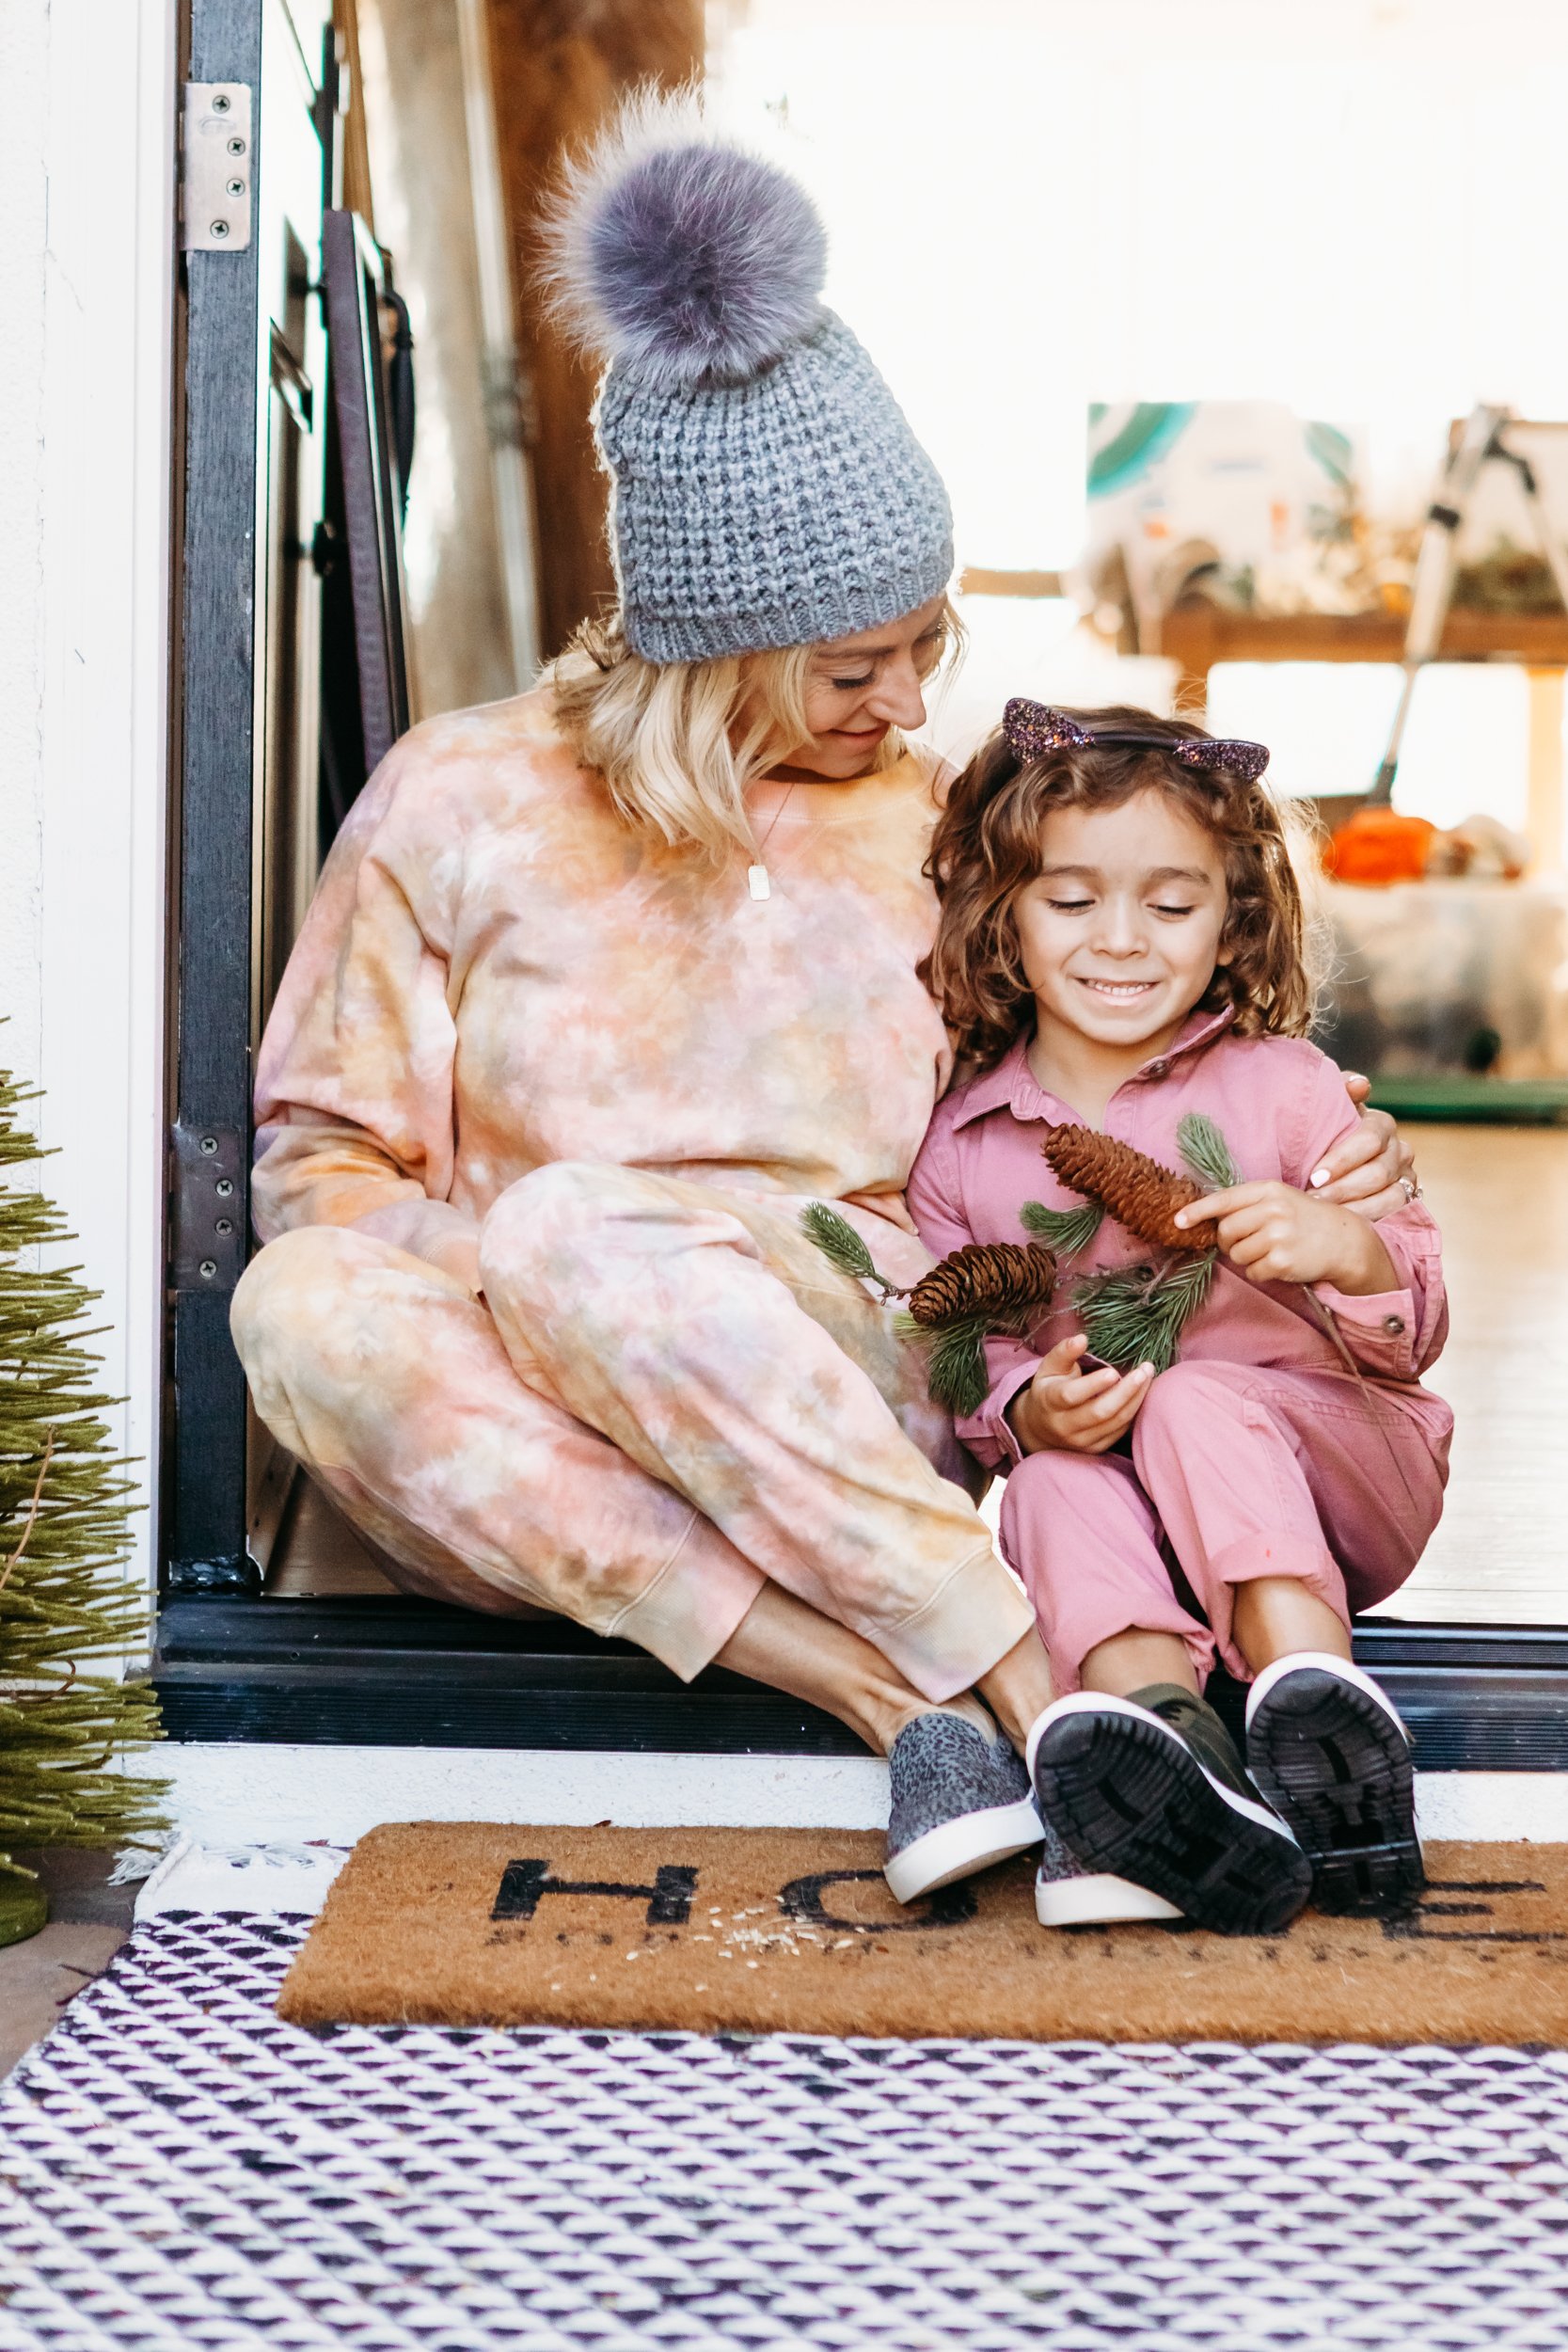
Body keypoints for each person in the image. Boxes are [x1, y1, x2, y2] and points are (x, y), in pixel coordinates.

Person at [230, 95, 1414, 1906]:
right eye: (859, 665)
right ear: (712, 645)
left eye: (928, 643)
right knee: (307, 1307)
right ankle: (984, 1700)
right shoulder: (462, 799)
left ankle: (986, 1703)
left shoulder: (943, 823)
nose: (911, 694)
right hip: (552, 1415)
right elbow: (328, 1168)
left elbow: (1108, 1045)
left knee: (573, 1235)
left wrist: (1291, 1138)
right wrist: (579, 1308)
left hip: (872, 1359)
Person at [909, 699, 1449, 1934]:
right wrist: (1028, 1409)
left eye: (1170, 904)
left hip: (1335, 1477)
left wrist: (1344, 1247)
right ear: (1003, 913)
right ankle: (1174, 1755)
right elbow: (970, 1362)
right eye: (1071, 900)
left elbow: (1411, 1330)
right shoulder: (962, 1148)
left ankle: (1315, 1697)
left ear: (1233, 920)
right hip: (1128, 1505)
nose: (1123, 941)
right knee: (1047, 1490)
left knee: (1200, 1397)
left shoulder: (1289, 1087)